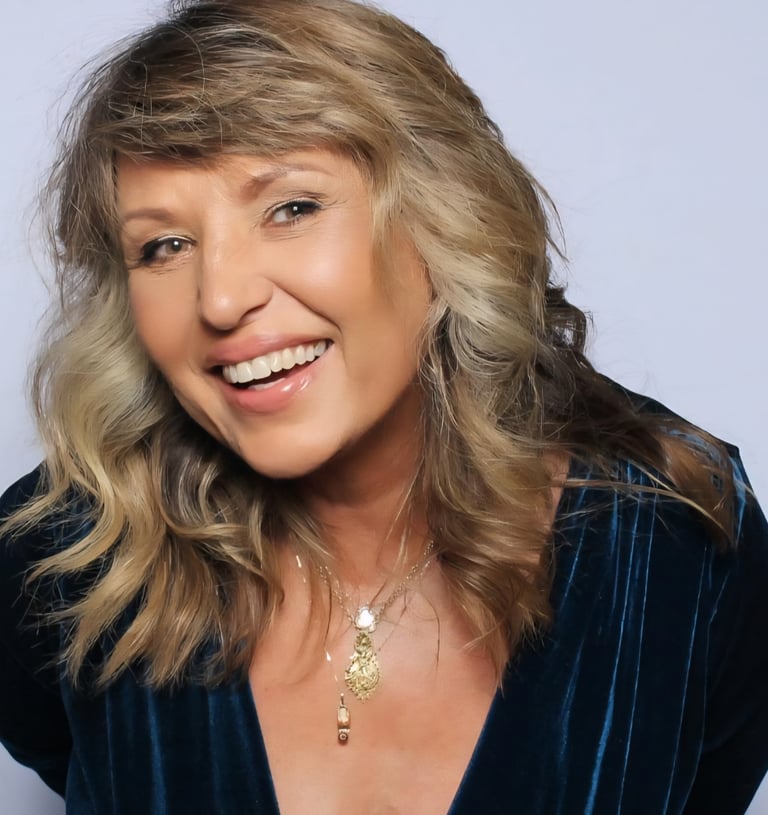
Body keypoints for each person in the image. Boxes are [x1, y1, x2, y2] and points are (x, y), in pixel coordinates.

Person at [1, 0, 766, 812]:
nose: (220, 298)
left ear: (441, 215)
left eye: (291, 208)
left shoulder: (683, 544)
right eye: (164, 245)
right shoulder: (60, 569)